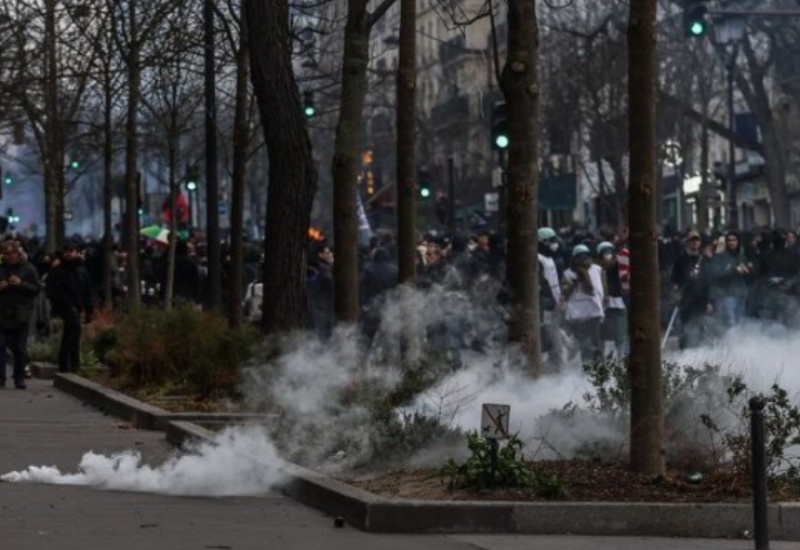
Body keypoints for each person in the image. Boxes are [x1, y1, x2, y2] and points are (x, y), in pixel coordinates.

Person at [46, 242, 94, 373]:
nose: (68, 253)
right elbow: (52, 290)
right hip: (64, 306)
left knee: (71, 332)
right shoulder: (58, 270)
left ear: (77, 252)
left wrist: (89, 310)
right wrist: (66, 303)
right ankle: (72, 362)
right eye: (66, 250)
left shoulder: (82, 270)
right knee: (74, 328)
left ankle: (67, 362)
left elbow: (87, 291)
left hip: (76, 306)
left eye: (71, 251)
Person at [0, 241, 41, 388]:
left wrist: (21, 284)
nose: (8, 257)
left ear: (18, 254)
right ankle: (1, 378)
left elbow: (36, 288)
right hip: (2, 312)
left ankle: (19, 377)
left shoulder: (28, 269)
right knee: (1, 345)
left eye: (11, 254)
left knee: (19, 348)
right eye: (5, 254)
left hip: (21, 313)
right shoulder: (1, 268)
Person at [561, 244, 605, 364]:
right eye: (580, 256)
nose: (584, 258)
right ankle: (587, 370)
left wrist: (602, 305)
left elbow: (602, 289)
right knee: (584, 343)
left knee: (595, 341)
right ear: (574, 258)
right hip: (577, 314)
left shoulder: (596, 269)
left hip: (593, 310)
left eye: (586, 255)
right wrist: (573, 285)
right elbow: (564, 292)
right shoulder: (568, 273)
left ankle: (600, 371)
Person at [669, 229, 713, 349]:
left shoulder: (704, 260)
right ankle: (684, 354)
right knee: (685, 328)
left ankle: (699, 355)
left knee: (701, 328)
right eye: (692, 240)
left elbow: (709, 282)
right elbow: (674, 279)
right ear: (688, 242)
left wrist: (709, 301)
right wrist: (675, 291)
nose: (694, 243)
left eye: (697, 240)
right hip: (686, 299)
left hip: (701, 300)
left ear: (700, 243)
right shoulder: (681, 260)